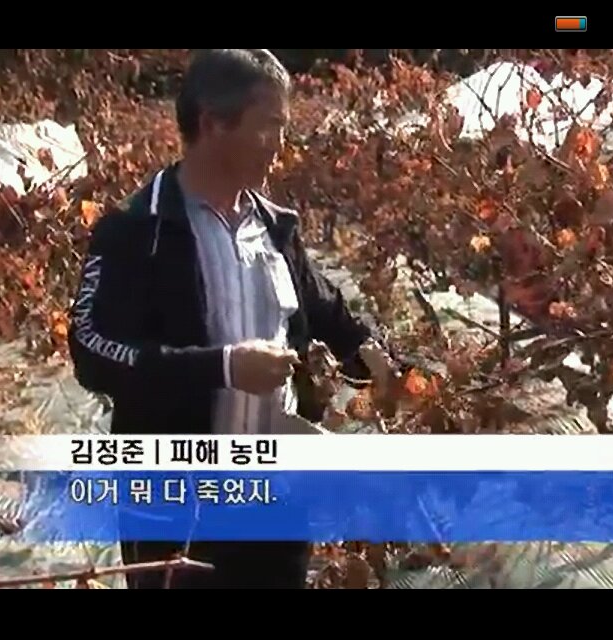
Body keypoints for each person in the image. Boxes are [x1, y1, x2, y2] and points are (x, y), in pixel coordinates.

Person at [67, 49, 397, 589]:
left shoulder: (273, 229)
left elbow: (327, 312)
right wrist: (221, 367)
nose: (281, 145)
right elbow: (93, 351)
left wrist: (382, 361)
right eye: (270, 126)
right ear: (213, 123)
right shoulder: (137, 231)